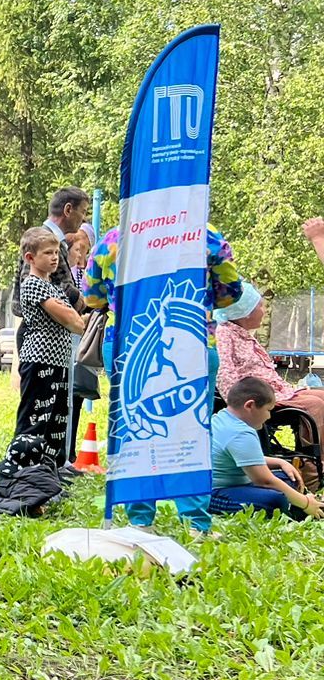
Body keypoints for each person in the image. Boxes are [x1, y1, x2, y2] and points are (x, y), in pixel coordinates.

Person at [84, 221, 244, 534]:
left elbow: (92, 297)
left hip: (127, 344)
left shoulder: (114, 239)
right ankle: (196, 522)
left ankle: (138, 520)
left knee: (135, 425)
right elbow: (231, 293)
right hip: (194, 342)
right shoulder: (204, 232)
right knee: (191, 427)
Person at [213, 285, 324, 483]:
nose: (264, 310)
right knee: (316, 406)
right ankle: (312, 473)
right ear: (245, 312)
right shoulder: (224, 334)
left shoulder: (241, 333)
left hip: (278, 391)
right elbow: (225, 375)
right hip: (257, 398)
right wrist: (240, 404)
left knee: (321, 395)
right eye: (261, 306)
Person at [12, 228, 87, 466]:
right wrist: (82, 319)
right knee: (35, 419)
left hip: (58, 361)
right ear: (30, 258)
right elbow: (74, 322)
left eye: (56, 252)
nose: (54, 258)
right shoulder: (33, 285)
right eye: (47, 253)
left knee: (56, 421)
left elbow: (75, 319)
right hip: (39, 361)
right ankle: (22, 470)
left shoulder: (54, 287)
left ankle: (48, 472)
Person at [211, 377, 322, 521]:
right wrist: (306, 504)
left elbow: (245, 459)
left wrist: (280, 462)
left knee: (289, 478)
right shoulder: (240, 433)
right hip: (216, 493)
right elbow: (264, 481)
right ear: (250, 406)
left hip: (239, 482)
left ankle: (295, 503)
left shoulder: (222, 417)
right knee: (275, 501)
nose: (269, 416)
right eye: (268, 410)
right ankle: (302, 506)